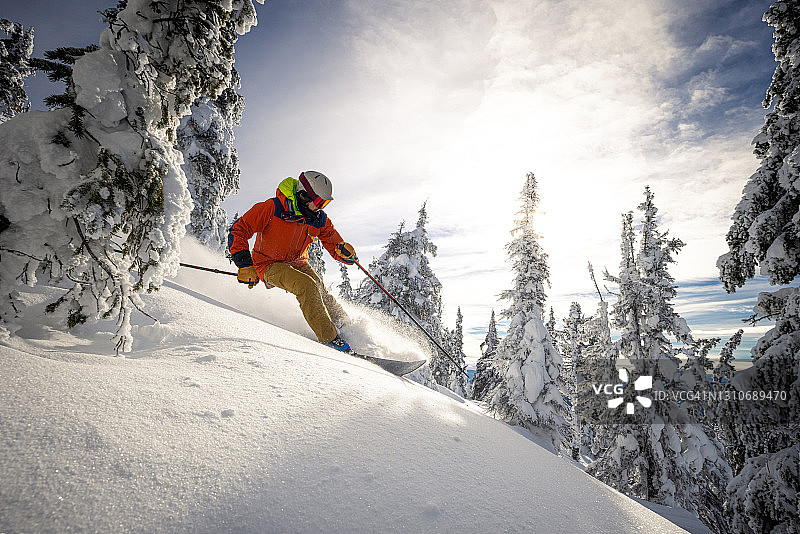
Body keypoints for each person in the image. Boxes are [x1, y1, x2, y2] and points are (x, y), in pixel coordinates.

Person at [227, 171, 358, 351]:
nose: (320, 208)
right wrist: (244, 264)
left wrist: (346, 254)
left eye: (325, 204)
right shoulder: (272, 208)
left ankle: (347, 328)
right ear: (303, 195)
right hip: (267, 263)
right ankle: (331, 340)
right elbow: (239, 230)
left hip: (298, 261)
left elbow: (334, 243)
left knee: (320, 289)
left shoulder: (318, 218)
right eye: (319, 202)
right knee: (307, 286)